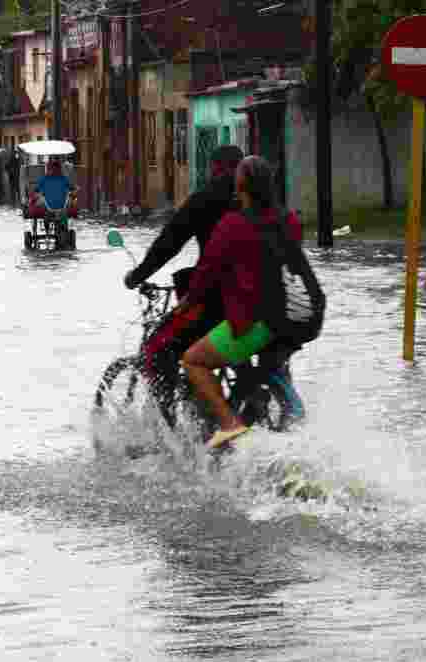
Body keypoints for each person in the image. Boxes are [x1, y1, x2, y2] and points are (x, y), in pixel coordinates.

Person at [175, 155, 303, 450]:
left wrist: (187, 303)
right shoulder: (290, 220)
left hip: (257, 321)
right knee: (267, 363)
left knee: (193, 359)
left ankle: (230, 425)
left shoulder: (233, 224)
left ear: (240, 187)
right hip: (293, 318)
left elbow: (207, 271)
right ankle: (276, 411)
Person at [122, 144, 245, 410]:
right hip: (264, 304)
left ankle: (166, 428)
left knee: (156, 351)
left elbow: (170, 242)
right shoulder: (264, 203)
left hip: (217, 302)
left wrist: (138, 275)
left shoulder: (207, 198)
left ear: (215, 168)